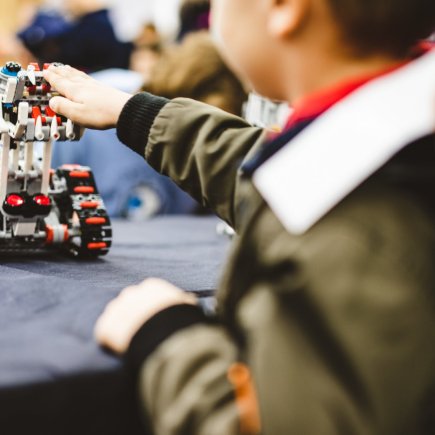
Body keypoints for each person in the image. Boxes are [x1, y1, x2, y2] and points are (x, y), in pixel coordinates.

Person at [44, 0, 435, 433]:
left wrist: (167, 336)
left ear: (284, 8)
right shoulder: (396, 143)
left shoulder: (364, 232)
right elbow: (283, 172)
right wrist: (136, 114)